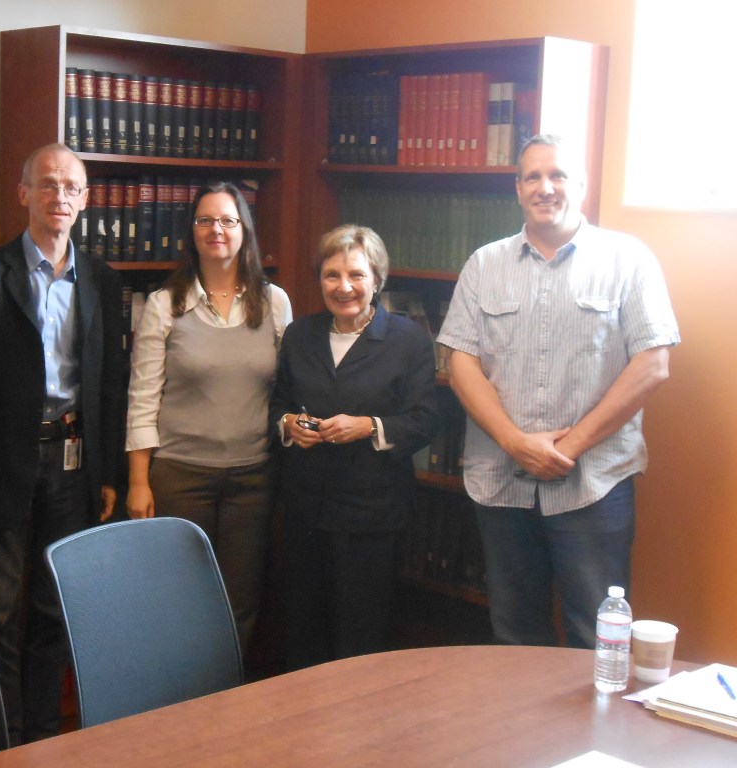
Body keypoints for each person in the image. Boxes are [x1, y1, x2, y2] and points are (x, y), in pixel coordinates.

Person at [436, 134, 680, 649]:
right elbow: (461, 363)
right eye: (533, 177)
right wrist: (515, 442)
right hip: (502, 480)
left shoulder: (628, 259)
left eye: (558, 175)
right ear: (518, 187)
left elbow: (652, 364)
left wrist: (568, 447)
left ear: (582, 183)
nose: (545, 187)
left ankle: (596, 733)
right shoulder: (485, 264)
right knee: (514, 634)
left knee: (596, 636)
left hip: (594, 483)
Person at [0, 143, 124, 745]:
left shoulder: (101, 279)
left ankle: (44, 737)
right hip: (0, 465)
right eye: (47, 184)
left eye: (72, 187)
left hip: (73, 462)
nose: (60, 196)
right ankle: (2, 739)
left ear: (86, 200)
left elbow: (109, 382)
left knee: (53, 607)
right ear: (23, 194)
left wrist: (109, 472)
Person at [126, 181, 292, 653]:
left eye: (227, 220)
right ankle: (179, 708)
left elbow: (288, 391)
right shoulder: (164, 305)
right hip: (180, 476)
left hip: (253, 478)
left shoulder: (274, 302)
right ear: (191, 231)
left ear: (244, 231)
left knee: (240, 602)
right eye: (204, 220)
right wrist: (140, 481)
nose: (216, 229)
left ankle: (226, 704)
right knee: (177, 598)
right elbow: (142, 400)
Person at [270, 224, 440, 670]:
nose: (343, 287)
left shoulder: (408, 340)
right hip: (305, 510)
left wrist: (369, 426)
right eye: (331, 275)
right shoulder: (300, 335)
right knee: (303, 633)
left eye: (356, 275)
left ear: (377, 280)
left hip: (372, 515)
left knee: (360, 638)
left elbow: (425, 421)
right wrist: (289, 424)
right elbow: (279, 403)